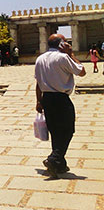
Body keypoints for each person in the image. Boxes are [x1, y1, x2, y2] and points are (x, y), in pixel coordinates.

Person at [35, 34, 86, 178]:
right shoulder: (63, 58)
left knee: (55, 131)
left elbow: (38, 83)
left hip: (47, 98)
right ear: (62, 44)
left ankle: (60, 165)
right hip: (61, 98)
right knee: (67, 130)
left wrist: (38, 101)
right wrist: (71, 54)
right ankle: (53, 159)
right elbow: (81, 72)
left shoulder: (40, 59)